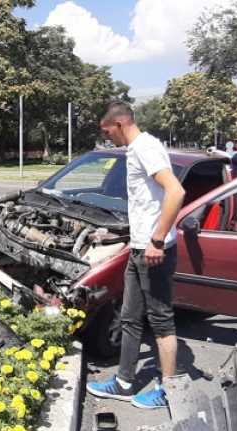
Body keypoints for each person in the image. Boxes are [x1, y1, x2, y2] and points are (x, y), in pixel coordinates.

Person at [87, 101, 186, 410]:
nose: (107, 139)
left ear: (120, 124)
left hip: (154, 251)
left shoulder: (146, 148)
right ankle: (124, 382)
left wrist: (157, 240)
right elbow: (147, 203)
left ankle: (168, 390)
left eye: (107, 132)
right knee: (129, 317)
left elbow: (176, 192)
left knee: (161, 322)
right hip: (139, 248)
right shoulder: (136, 150)